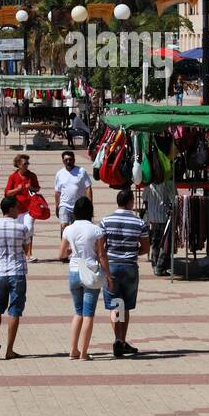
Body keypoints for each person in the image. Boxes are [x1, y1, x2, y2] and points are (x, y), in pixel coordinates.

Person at [56, 197, 109, 360]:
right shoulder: (96, 230)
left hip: (74, 271)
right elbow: (101, 255)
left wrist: (73, 252)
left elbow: (61, 254)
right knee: (88, 314)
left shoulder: (68, 230)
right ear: (90, 211)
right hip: (90, 272)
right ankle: (84, 352)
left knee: (77, 312)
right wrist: (108, 275)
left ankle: (73, 350)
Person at [98, 188, 149, 357]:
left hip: (111, 266)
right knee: (125, 305)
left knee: (115, 304)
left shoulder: (105, 221)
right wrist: (133, 252)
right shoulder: (139, 223)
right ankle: (121, 339)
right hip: (129, 266)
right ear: (131, 202)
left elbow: (100, 247)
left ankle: (118, 339)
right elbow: (145, 248)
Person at [0, 195, 29, 360]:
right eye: (17, 207)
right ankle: (10, 349)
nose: (18, 210)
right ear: (10, 209)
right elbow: (26, 249)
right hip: (17, 272)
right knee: (15, 310)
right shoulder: (22, 228)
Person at [53, 150, 92, 234]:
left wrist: (89, 203)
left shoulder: (81, 171)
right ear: (63, 161)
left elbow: (88, 188)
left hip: (78, 206)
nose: (68, 162)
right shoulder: (59, 173)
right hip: (64, 205)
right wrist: (57, 206)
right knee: (64, 226)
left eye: (70, 159)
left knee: (77, 230)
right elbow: (57, 192)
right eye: (66, 160)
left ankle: (74, 246)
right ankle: (65, 246)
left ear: (74, 160)